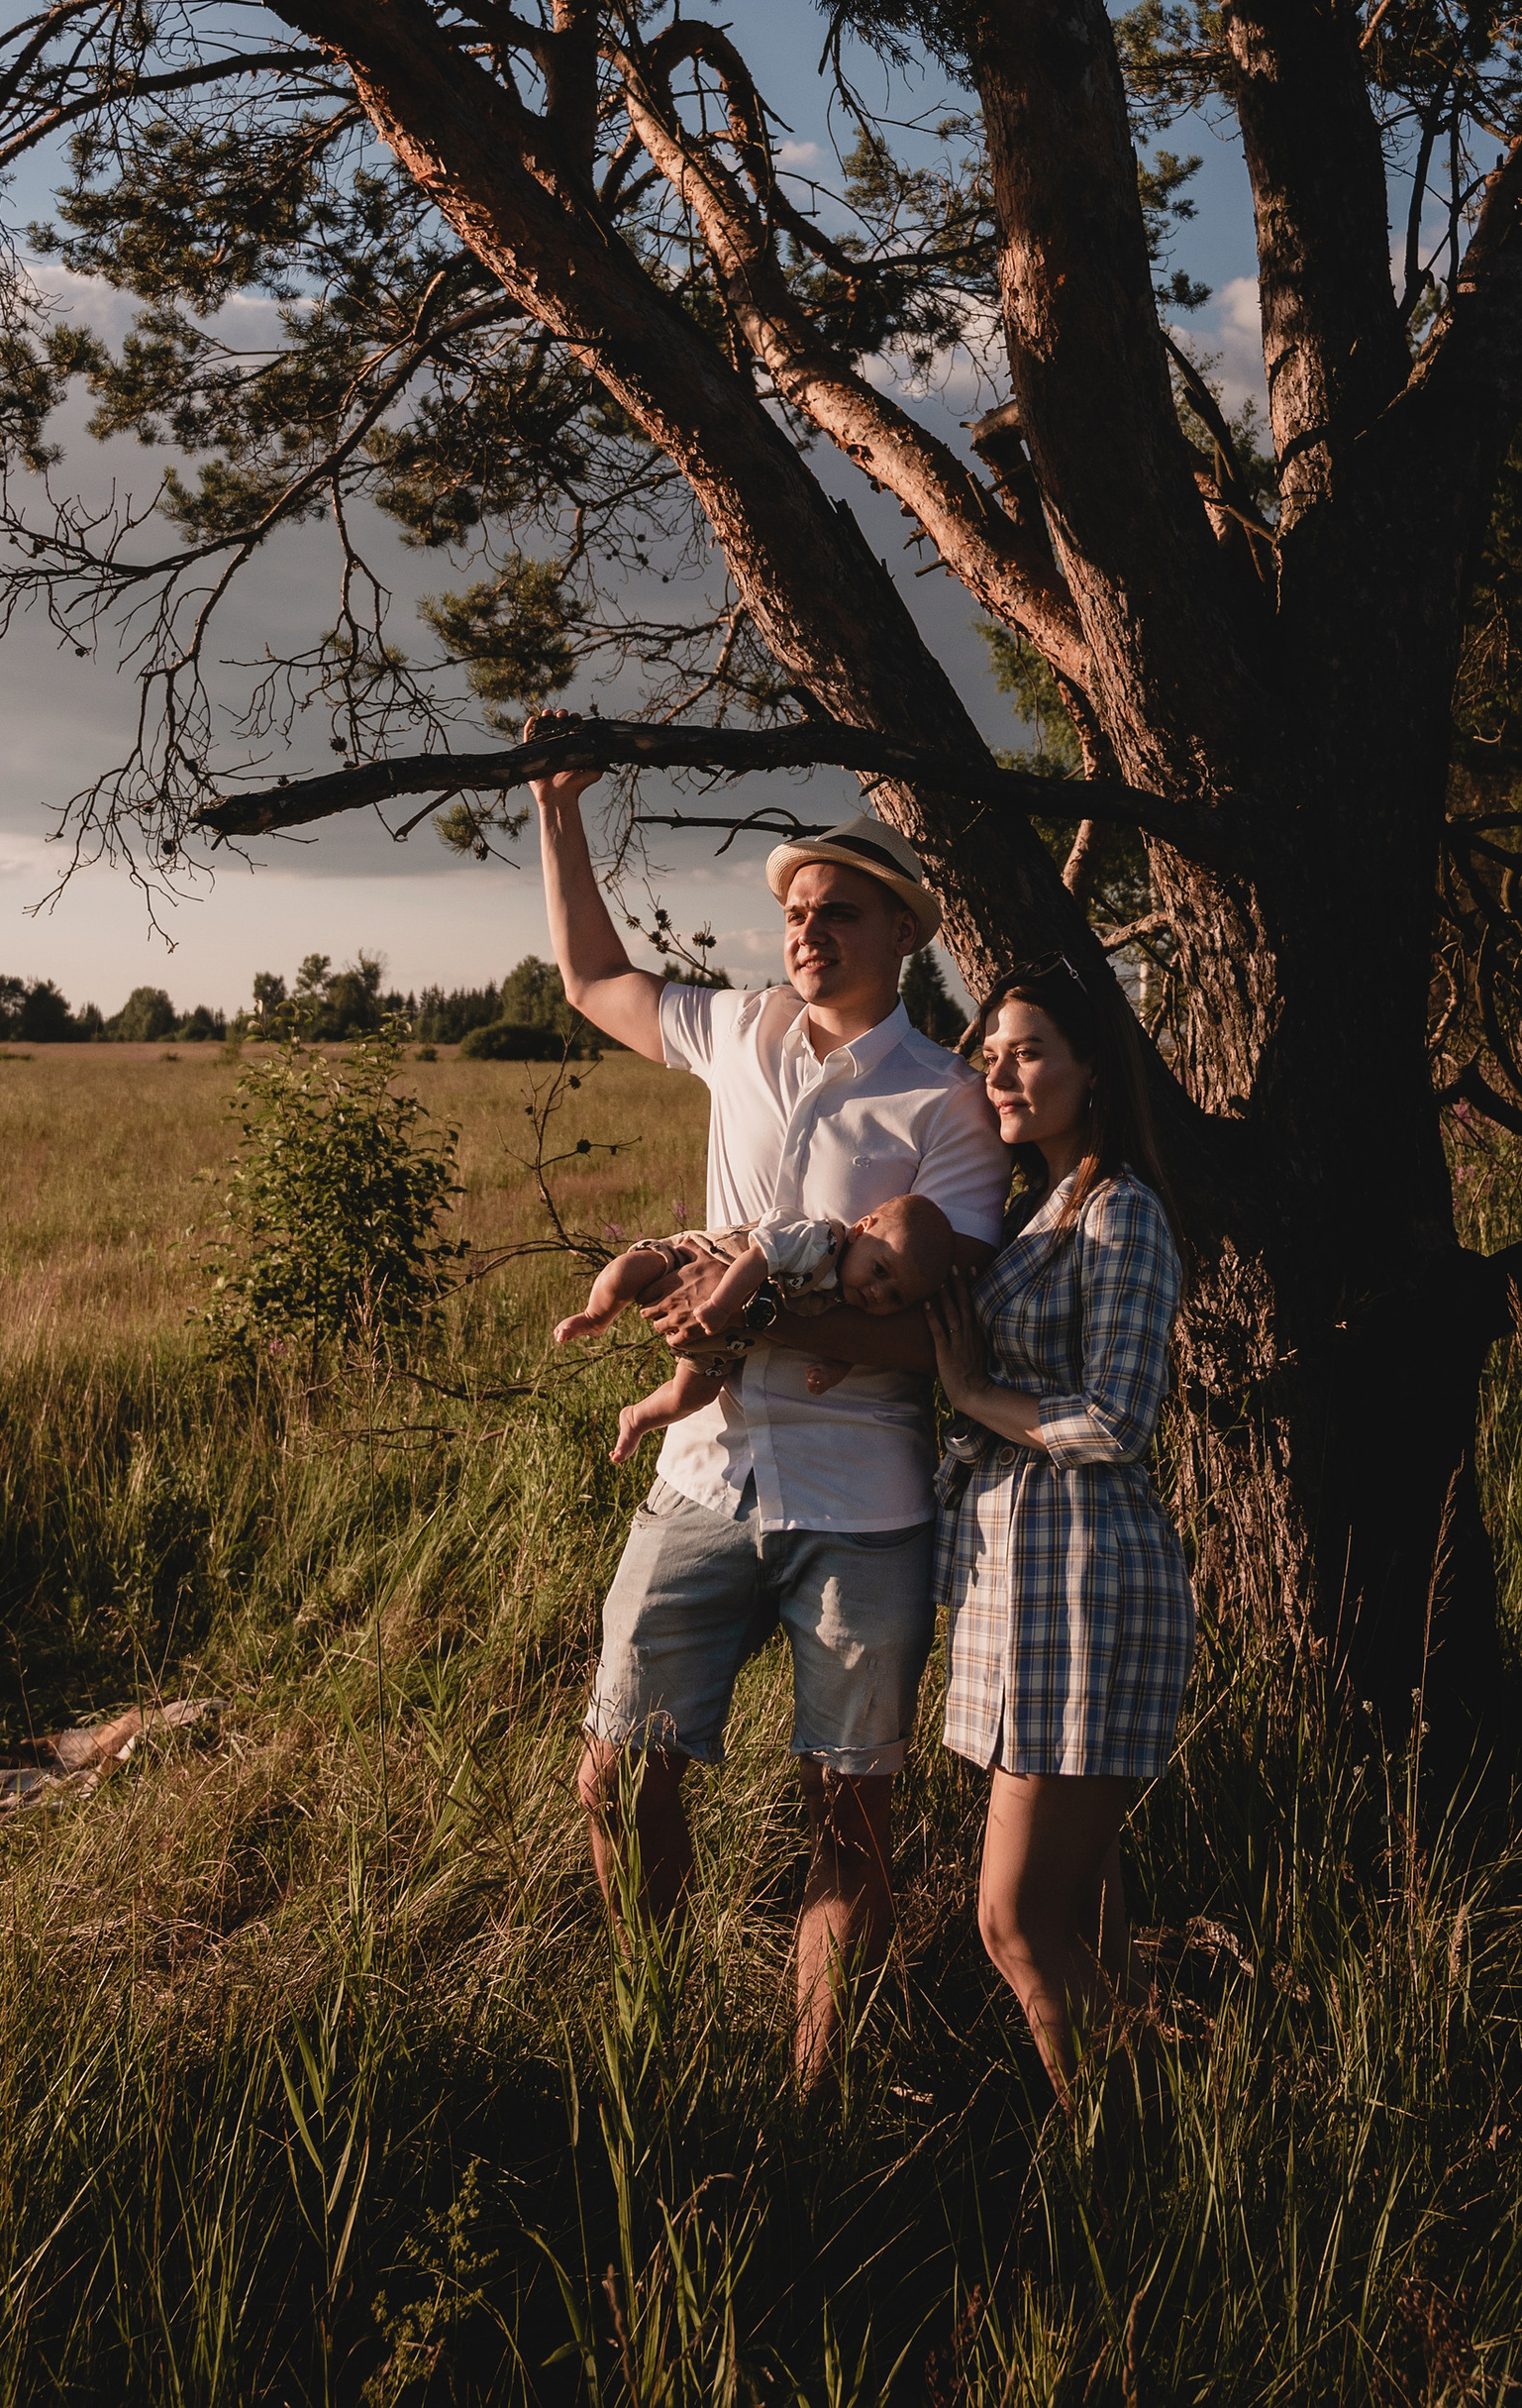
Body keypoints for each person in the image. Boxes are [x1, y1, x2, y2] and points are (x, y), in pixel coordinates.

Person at [530, 749, 1005, 2077]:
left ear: (903, 931)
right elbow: (592, 982)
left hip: (864, 1506)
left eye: (839, 907)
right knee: (617, 1773)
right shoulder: (736, 1029)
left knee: (847, 1816)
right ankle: (655, 2047)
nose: (808, 925)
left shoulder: (949, 1100)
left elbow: (934, 1329)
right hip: (703, 1474)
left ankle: (817, 2096)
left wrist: (756, 1317)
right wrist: (558, 813)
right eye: (797, 907)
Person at [926, 960, 1195, 2096]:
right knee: (1086, 1926)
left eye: (1028, 1049)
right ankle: (1165, 2149)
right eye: (989, 1050)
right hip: (1017, 1586)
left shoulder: (1120, 1209)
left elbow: (1115, 1418)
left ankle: (1144, 2143)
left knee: (1015, 1922)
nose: (1000, 1068)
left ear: (1092, 1069)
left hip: (1085, 1581)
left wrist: (972, 1394)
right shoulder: (1028, 1206)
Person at [556, 1192, 960, 1466]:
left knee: (692, 1395)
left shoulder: (850, 1298)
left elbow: (849, 1342)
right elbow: (757, 1258)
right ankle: (596, 1317)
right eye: (880, 1270)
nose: (877, 1292)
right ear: (860, 1228)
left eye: (895, 1298)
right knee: (628, 1272)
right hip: (691, 1264)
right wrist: (720, 1303)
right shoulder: (818, 1243)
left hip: (720, 1344)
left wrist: (833, 1370)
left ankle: (637, 1418)